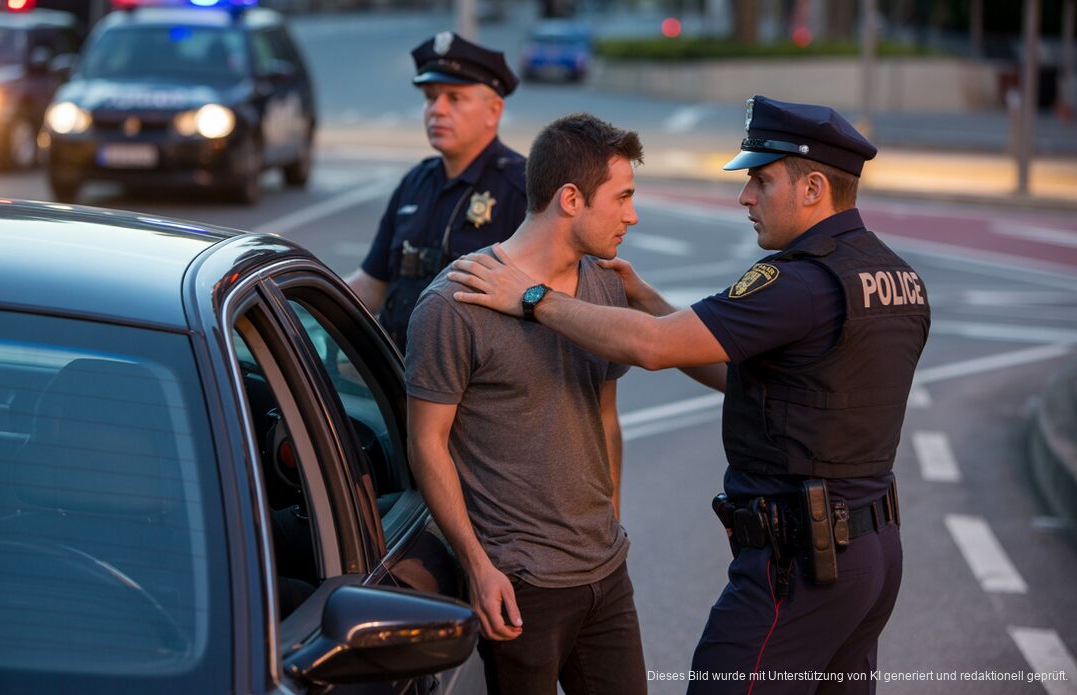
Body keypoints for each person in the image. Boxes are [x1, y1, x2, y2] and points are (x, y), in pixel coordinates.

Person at [447, 95, 931, 692]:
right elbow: (756, 382)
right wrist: (648, 299)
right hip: (872, 557)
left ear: (811, 189)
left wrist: (533, 299)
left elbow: (654, 347)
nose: (745, 197)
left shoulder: (799, 282)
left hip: (802, 565)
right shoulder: (893, 276)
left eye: (761, 180)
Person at [405, 113, 648, 695]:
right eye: (622, 198)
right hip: (522, 585)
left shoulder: (606, 286)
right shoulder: (455, 303)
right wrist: (479, 567)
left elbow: (605, 416)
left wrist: (608, 519)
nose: (632, 216)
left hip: (606, 573)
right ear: (571, 199)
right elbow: (426, 442)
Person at [346, 31, 527, 352]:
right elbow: (372, 284)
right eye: (430, 97)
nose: (437, 110)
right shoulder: (415, 183)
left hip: (478, 388)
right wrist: (298, 315)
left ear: (494, 111)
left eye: (454, 98)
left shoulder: (524, 188)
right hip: (399, 375)